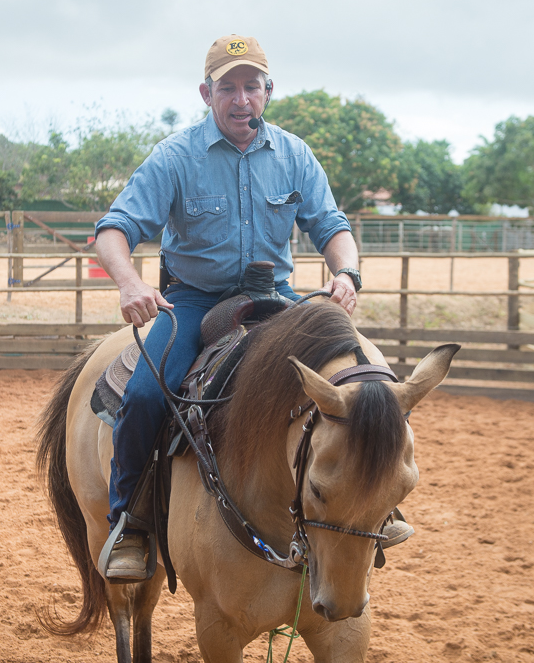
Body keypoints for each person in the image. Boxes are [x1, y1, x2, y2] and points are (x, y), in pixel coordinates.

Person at [93, 35, 408, 581]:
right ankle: (132, 523)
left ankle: (372, 501)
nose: (242, 99)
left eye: (252, 87)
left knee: (363, 378)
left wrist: (347, 273)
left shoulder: (293, 154)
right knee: (146, 393)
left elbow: (331, 225)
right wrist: (128, 283)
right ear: (206, 93)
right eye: (229, 87)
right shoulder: (176, 156)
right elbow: (114, 229)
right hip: (192, 299)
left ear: (268, 91)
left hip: (276, 299)